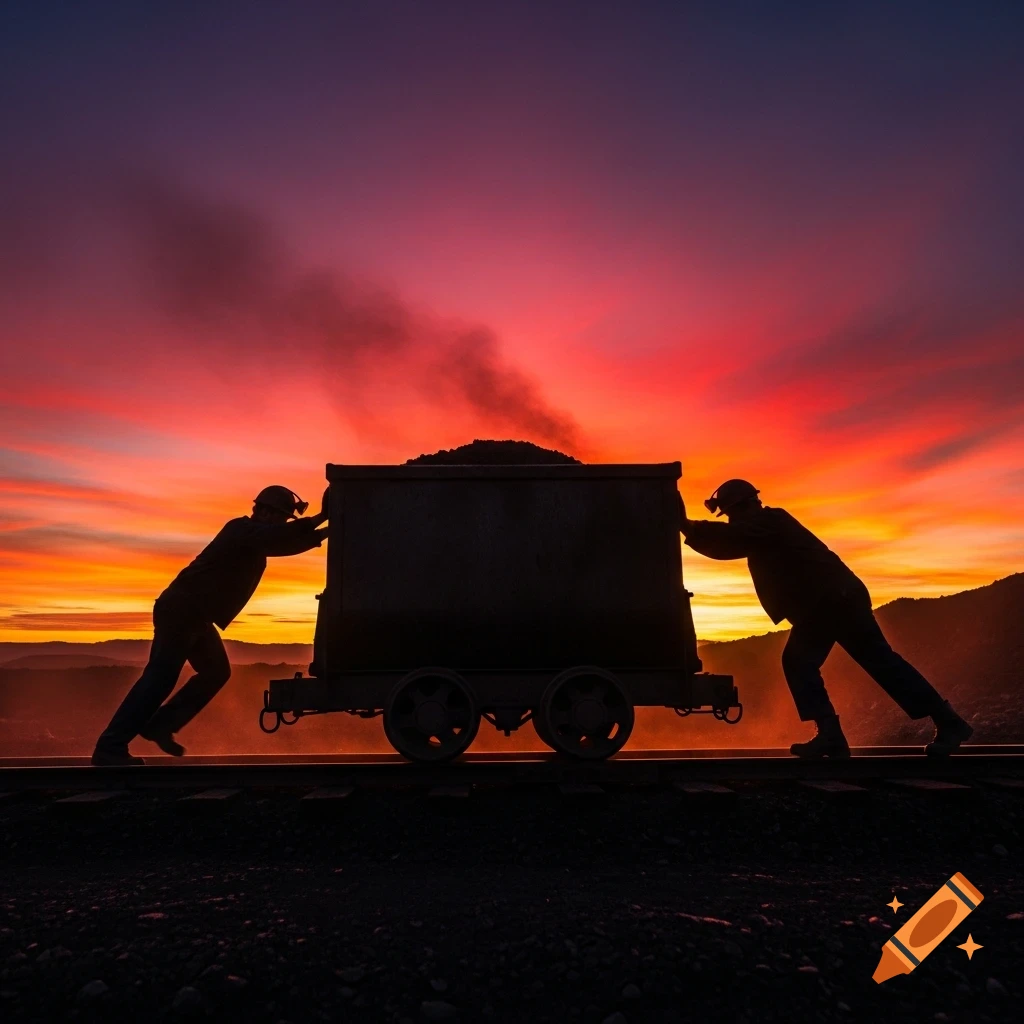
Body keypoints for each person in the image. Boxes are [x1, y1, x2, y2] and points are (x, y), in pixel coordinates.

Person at [678, 479, 973, 758]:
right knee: (881, 663)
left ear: (747, 506)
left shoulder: (771, 521)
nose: (730, 520)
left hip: (830, 602)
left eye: (730, 514)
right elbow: (727, 545)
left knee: (803, 662)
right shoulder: (760, 530)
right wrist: (689, 529)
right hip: (833, 600)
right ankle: (946, 722)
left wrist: (687, 526)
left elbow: (731, 538)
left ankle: (833, 734)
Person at [91, 485, 329, 766]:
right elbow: (279, 537)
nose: (280, 523)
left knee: (215, 672)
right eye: (279, 516)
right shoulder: (240, 530)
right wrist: (323, 518)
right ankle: (110, 746)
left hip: (196, 615)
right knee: (159, 678)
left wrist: (329, 527)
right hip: (182, 610)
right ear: (263, 512)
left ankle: (160, 726)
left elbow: (286, 543)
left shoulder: (258, 540)